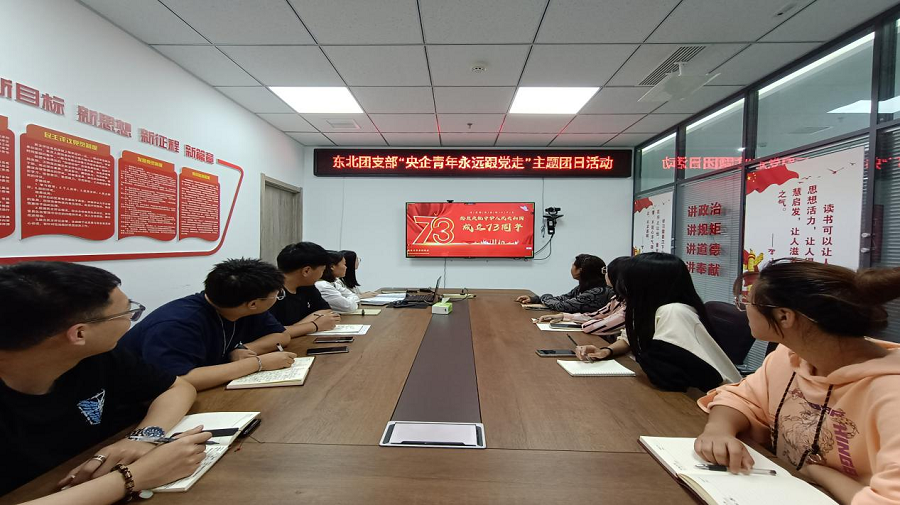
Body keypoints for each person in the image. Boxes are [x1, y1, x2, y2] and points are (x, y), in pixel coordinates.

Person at [694, 259, 900, 505]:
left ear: (783, 316)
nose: (744, 308)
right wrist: (718, 431)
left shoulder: (891, 393)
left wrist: (818, 471)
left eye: (749, 301)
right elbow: (739, 398)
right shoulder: (789, 357)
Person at [0, 261, 202, 497]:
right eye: (127, 313)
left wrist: (143, 437)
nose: (132, 318)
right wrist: (133, 477)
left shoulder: (97, 355)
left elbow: (176, 388)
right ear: (79, 333)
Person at [119, 258, 296, 391]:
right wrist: (258, 363)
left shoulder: (241, 306)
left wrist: (242, 349)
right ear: (253, 304)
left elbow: (281, 336)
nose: (277, 298)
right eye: (277, 295)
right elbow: (178, 380)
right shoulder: (177, 324)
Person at [575, 252, 741, 391]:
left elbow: (665, 374)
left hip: (715, 399)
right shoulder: (653, 309)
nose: (624, 287)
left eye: (630, 281)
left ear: (648, 285)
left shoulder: (673, 312)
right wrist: (606, 351)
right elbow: (629, 339)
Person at [538, 256, 630, 342]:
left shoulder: (599, 292)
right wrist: (563, 316)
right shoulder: (616, 299)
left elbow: (590, 326)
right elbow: (594, 315)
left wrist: (544, 297)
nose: (605, 274)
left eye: (607, 271)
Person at [270, 242, 341, 336]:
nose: (322, 275)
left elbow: (326, 310)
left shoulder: (307, 286)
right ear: (306, 271)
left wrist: (297, 328)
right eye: (322, 270)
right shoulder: (269, 292)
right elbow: (273, 332)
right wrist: (315, 325)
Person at [515, 254, 613, 313]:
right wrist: (536, 299)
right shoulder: (585, 287)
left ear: (580, 270)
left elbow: (562, 306)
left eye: (573, 266)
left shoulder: (597, 292)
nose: (571, 269)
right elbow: (564, 298)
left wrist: (544, 297)